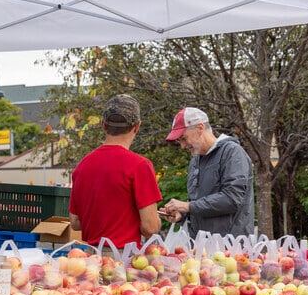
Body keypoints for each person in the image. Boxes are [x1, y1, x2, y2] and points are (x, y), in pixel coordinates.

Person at [69, 94, 162, 248]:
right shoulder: (140, 166)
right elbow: (150, 228)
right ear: (137, 126)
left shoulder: (82, 166)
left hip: (92, 260)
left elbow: (75, 222)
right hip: (124, 261)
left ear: (103, 124)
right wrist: (152, 217)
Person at [160, 107, 255, 238]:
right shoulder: (195, 161)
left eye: (183, 138)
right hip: (202, 249)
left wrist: (188, 206)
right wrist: (182, 215)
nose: (182, 146)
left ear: (200, 128)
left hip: (231, 249)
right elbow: (200, 205)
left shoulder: (232, 152)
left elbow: (232, 199)